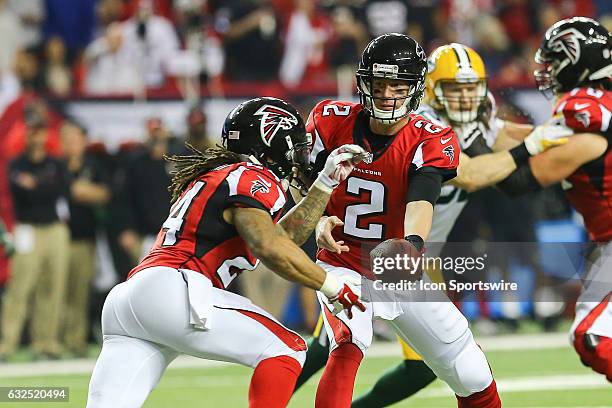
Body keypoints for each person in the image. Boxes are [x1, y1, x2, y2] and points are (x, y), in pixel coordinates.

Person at [297, 42, 570, 406]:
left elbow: (426, 196)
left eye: (471, 88)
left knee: (468, 367)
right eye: (379, 86)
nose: (388, 96)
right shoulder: (338, 119)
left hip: (404, 262)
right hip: (346, 258)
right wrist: (316, 215)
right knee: (345, 342)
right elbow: (472, 176)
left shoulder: (441, 132)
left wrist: (411, 243)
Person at [86, 97, 367, 408]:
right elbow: (270, 246)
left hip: (129, 301)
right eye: (296, 146)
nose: (299, 156)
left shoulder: (225, 174)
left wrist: (325, 184)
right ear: (271, 142)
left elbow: (281, 237)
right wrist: (331, 285)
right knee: (288, 349)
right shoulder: (251, 175)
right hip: (176, 289)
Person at [0, 105, 70, 360]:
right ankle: (6, 345)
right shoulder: (17, 163)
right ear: (25, 134)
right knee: (20, 287)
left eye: (39, 131)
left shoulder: (55, 163)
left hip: (54, 229)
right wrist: (42, 186)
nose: (36, 137)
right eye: (31, 131)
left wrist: (36, 185)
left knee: (52, 287)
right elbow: (21, 192)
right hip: (27, 228)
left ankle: (46, 344)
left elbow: (58, 190)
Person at [61, 121, 111, 357]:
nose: (70, 143)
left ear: (83, 140)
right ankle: (51, 341)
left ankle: (76, 340)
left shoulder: (94, 165)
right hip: (59, 236)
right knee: (57, 291)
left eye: (74, 138)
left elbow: (106, 193)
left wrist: (86, 192)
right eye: (66, 138)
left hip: (85, 236)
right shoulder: (56, 166)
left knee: (80, 291)